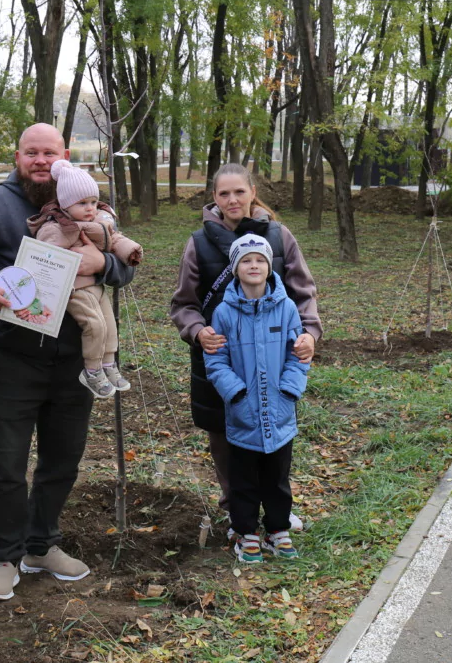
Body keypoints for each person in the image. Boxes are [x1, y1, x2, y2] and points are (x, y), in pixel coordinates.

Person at [0, 123, 136, 602]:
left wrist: (103, 266)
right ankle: (5, 557)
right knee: (6, 465)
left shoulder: (90, 205)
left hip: (76, 357)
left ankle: (41, 544)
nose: (39, 160)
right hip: (14, 356)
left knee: (62, 460)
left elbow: (122, 265)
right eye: (30, 152)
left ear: (64, 156)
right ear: (18, 157)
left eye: (48, 152)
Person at [170, 163, 321, 536]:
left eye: (239, 191)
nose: (232, 200)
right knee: (224, 436)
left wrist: (310, 334)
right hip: (219, 356)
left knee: (273, 432)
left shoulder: (279, 236)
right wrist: (197, 330)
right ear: (214, 198)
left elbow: (303, 293)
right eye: (224, 194)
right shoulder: (199, 242)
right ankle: (237, 513)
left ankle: (275, 512)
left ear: (252, 191)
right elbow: (183, 303)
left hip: (272, 354)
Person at [205, 234, 310, 562]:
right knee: (244, 481)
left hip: (280, 415)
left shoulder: (287, 308)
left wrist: (290, 391)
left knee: (278, 480)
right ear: (236, 269)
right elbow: (216, 360)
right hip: (242, 416)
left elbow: (298, 357)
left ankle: (277, 529)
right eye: (246, 260)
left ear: (269, 266)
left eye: (260, 260)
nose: (254, 265)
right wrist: (235, 393)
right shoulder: (223, 312)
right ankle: (246, 532)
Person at [27, 158, 143, 398]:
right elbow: (44, 259)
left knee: (110, 324)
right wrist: (58, 281)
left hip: (95, 285)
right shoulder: (58, 228)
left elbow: (114, 239)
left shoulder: (96, 221)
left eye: (92, 201)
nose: (90, 208)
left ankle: (109, 364)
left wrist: (130, 250)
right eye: (82, 203)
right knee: (94, 325)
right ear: (67, 204)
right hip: (74, 290)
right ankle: (91, 369)